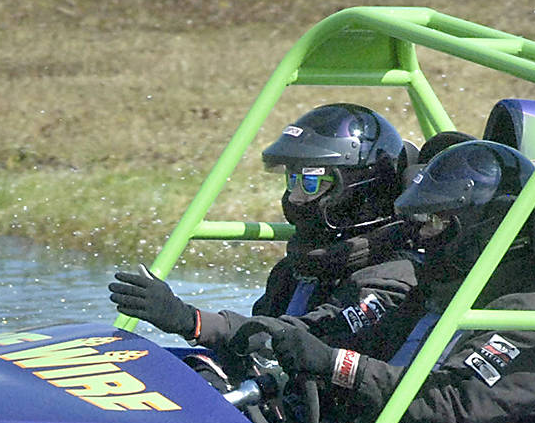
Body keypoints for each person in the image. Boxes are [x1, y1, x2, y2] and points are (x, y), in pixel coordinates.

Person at [238, 139, 535, 423]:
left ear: (486, 227)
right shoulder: (441, 293)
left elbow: (454, 403)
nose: (421, 235)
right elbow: (338, 341)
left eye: (435, 221)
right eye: (420, 221)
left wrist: (337, 365)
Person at [109, 103, 418, 361]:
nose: (295, 198)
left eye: (310, 183)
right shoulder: (296, 270)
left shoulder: (389, 281)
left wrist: (189, 320)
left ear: (359, 192)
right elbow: (253, 350)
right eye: (291, 180)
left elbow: (298, 339)